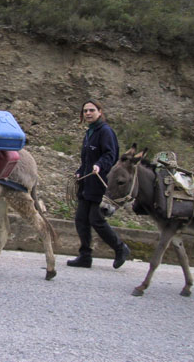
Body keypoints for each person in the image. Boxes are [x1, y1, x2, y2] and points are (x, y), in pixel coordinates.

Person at [67, 99, 131, 269]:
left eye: (91, 110)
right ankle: (85, 256)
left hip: (100, 183)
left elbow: (111, 155)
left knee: (96, 219)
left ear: (100, 112)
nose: (88, 113)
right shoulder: (90, 132)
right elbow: (87, 158)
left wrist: (100, 165)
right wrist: (81, 170)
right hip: (87, 182)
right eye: (85, 111)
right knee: (81, 219)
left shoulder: (105, 132)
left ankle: (120, 248)